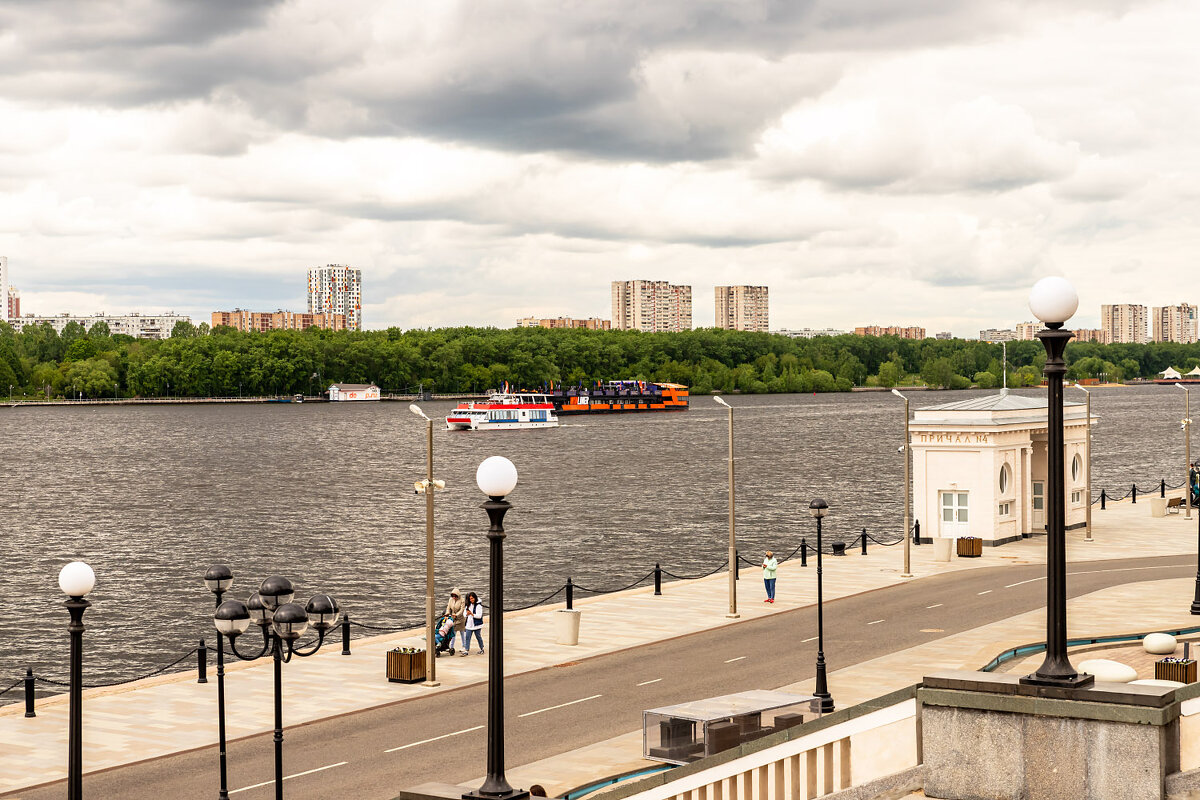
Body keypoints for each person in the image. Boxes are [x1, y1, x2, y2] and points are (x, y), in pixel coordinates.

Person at [461, 591, 484, 656]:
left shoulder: (478, 606)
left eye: (472, 598)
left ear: (475, 598)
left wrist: (472, 614)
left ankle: (481, 648)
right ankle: (466, 650)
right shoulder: (468, 605)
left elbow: (479, 616)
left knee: (478, 636)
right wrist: (467, 614)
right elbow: (464, 614)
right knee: (467, 637)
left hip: (476, 625)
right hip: (469, 624)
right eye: (470, 599)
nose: (471, 600)